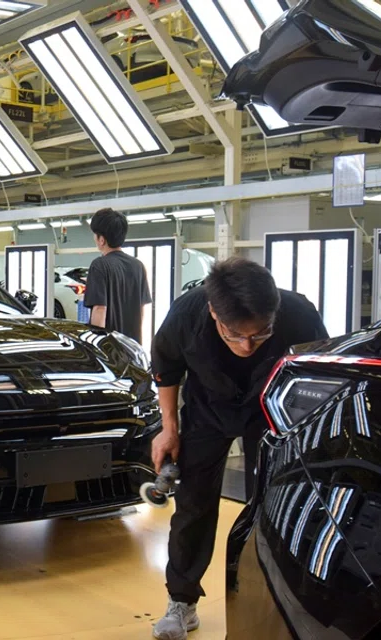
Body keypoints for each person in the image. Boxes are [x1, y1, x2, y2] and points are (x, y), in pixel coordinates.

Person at [149, 257, 328, 640]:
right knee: (193, 505)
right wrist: (169, 428)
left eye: (260, 334)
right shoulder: (187, 314)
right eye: (235, 335)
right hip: (207, 412)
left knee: (270, 508)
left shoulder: (298, 313)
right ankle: (182, 602)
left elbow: (316, 371)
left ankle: (272, 600)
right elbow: (166, 367)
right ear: (214, 312)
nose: (246, 345)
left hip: (269, 413)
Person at [84, 208, 152, 343]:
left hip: (110, 349)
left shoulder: (99, 265)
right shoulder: (138, 266)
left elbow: (99, 308)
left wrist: (96, 346)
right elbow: (141, 309)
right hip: (132, 346)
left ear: (101, 239)